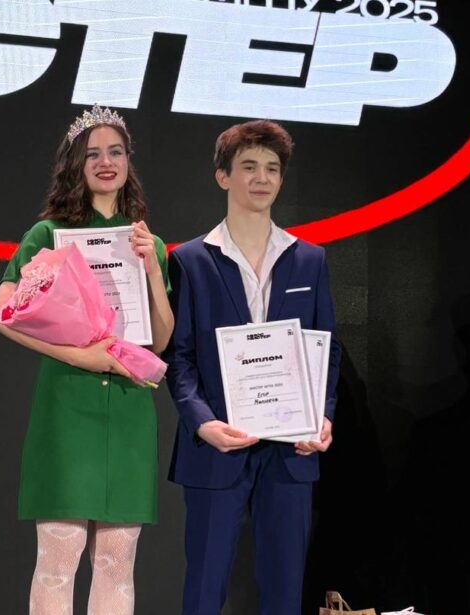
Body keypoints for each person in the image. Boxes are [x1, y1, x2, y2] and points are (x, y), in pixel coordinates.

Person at [0, 104, 174, 615]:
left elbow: (160, 341)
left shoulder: (149, 243)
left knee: (117, 563)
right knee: (58, 559)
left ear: (129, 161)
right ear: (76, 164)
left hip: (129, 410)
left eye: (115, 152)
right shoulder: (48, 235)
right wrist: (82, 356)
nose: (106, 162)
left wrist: (151, 269)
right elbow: (2, 313)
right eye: (93, 154)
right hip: (67, 408)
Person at [163, 119, 342, 615]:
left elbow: (326, 349)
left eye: (272, 168)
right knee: (204, 589)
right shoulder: (191, 260)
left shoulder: (310, 260)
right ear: (223, 176)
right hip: (217, 444)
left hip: (291, 449)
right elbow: (178, 358)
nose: (262, 178)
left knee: (285, 589)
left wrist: (322, 416)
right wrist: (203, 423)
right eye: (248, 166)